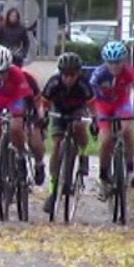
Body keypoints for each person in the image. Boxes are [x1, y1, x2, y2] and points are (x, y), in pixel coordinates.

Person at [40, 52, 94, 215]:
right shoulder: (53, 83)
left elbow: (92, 106)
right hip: (59, 110)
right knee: (56, 144)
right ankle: (52, 189)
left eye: (72, 75)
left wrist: (96, 120)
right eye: (65, 75)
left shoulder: (84, 84)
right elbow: (43, 104)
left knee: (78, 126)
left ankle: (83, 154)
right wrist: (43, 117)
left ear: (78, 73)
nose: (69, 79)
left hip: (77, 110)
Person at [91, 41, 134, 191]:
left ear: (124, 60)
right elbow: (90, 98)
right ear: (105, 61)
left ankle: (130, 170)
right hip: (103, 106)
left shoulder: (129, 72)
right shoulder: (99, 74)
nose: (114, 66)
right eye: (110, 62)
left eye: (117, 62)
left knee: (127, 130)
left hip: (121, 104)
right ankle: (103, 177)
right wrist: (93, 116)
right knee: (105, 140)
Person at [0, 44, 34, 203]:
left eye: (3, 71)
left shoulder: (17, 73)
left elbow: (27, 97)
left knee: (16, 126)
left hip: (14, 99)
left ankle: (21, 153)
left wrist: (29, 114)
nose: (0, 75)